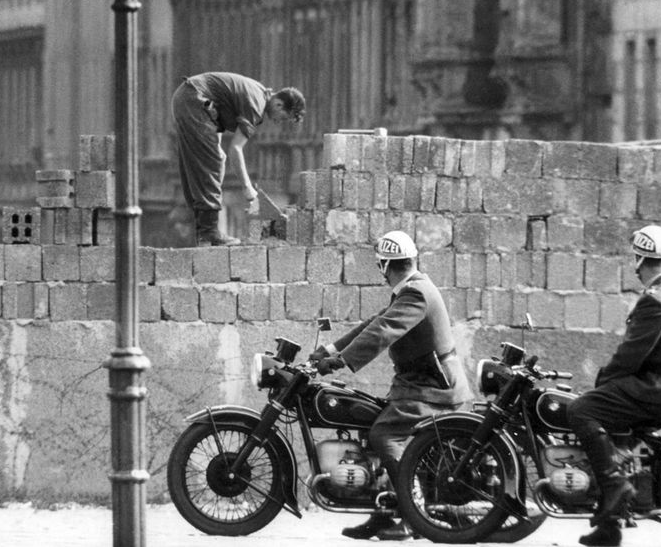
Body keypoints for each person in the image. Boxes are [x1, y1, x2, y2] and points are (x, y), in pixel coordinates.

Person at [309, 230, 472, 540]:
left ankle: (413, 515)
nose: (382, 273)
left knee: (384, 435)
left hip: (435, 388)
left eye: (381, 266)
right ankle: (384, 513)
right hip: (418, 383)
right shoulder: (411, 289)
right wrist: (327, 352)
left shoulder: (416, 293)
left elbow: (382, 333)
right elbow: (374, 322)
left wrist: (339, 362)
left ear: (384, 265)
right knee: (370, 423)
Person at [567, 224, 661, 547]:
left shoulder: (657, 299)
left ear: (640, 260)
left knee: (581, 409)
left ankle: (614, 486)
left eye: (635, 260)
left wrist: (601, 382)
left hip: (656, 389)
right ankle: (609, 526)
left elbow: (630, 356)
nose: (635, 267)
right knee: (605, 426)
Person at [171, 72, 305, 246]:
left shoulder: (259, 91)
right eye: (283, 118)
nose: (279, 123)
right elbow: (236, 148)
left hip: (189, 98)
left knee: (211, 159)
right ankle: (209, 232)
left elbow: (218, 106)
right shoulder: (256, 104)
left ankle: (203, 229)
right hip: (194, 100)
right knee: (211, 163)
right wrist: (248, 188)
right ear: (279, 104)